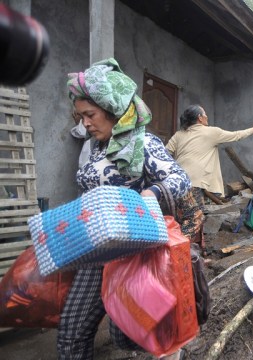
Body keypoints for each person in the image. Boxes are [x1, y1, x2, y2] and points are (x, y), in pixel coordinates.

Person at [64, 58, 191, 359]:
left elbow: (180, 179)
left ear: (113, 110)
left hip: (133, 253)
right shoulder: (96, 147)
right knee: (72, 328)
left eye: (90, 115)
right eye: (80, 116)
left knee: (127, 333)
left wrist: (151, 192)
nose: (85, 123)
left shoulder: (144, 143)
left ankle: (170, 347)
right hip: (95, 249)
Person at [166, 104, 253, 203]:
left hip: (176, 181)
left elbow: (165, 153)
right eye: (205, 114)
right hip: (196, 184)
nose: (207, 116)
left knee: (177, 215)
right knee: (194, 217)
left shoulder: (178, 135)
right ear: (200, 118)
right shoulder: (212, 132)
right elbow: (237, 135)